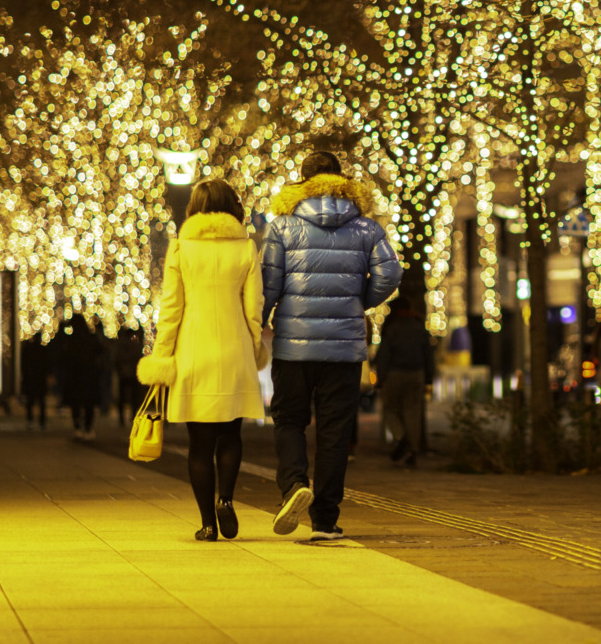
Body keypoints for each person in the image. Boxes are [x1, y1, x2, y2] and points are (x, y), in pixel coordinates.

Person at [262, 151, 401, 541]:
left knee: (289, 419)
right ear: (341, 179)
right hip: (344, 346)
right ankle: (324, 519)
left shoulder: (282, 227)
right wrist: (359, 302)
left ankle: (293, 484)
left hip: (293, 346)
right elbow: (391, 272)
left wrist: (261, 320)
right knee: (335, 430)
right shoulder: (366, 228)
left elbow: (268, 283)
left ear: (302, 181)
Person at [138, 178, 268, 542]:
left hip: (193, 350)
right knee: (231, 435)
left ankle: (208, 523)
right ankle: (226, 498)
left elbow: (171, 308)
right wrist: (253, 346)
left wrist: (162, 356)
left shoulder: (181, 248)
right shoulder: (246, 248)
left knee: (199, 444)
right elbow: (254, 307)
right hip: (234, 348)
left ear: (195, 207)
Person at [372, 295, 435, 468]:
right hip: (417, 374)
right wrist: (429, 377)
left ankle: (401, 437)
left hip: (395, 373)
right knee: (413, 411)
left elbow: (384, 356)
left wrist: (380, 378)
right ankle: (412, 449)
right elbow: (428, 355)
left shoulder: (392, 328)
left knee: (390, 408)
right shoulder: (420, 328)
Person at [54, 313, 105, 441]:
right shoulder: (91, 338)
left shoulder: (71, 340)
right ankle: (88, 427)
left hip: (75, 377)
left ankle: (77, 427)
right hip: (89, 376)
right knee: (88, 404)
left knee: (75, 403)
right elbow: (101, 351)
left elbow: (61, 355)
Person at [114, 324, 146, 427]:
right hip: (132, 374)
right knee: (134, 397)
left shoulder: (120, 345)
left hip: (123, 374)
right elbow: (138, 358)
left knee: (122, 397)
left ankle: (121, 418)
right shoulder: (135, 345)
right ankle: (133, 415)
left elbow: (117, 359)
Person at [19, 332, 50, 430]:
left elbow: (24, 365)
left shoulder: (29, 349)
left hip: (31, 378)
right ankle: (41, 421)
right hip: (39, 379)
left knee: (30, 401)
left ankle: (31, 420)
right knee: (41, 401)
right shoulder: (42, 350)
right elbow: (47, 365)